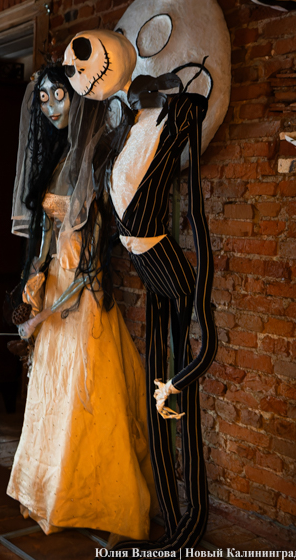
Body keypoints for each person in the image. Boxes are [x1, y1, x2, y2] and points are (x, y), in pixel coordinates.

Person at [63, 30, 218, 553]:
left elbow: (192, 207)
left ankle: (190, 527)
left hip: (170, 271)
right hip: (146, 269)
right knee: (158, 399)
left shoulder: (179, 114)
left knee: (177, 401)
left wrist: (178, 381)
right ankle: (171, 525)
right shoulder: (130, 123)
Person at [6, 62, 155, 544]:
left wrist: (56, 304)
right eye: (44, 99)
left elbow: (91, 254)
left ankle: (105, 501)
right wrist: (35, 284)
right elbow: (49, 238)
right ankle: (53, 493)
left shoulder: (95, 157)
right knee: (51, 395)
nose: (51, 107)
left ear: (79, 97)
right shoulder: (58, 159)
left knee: (83, 394)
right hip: (54, 286)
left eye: (60, 96)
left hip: (82, 294)